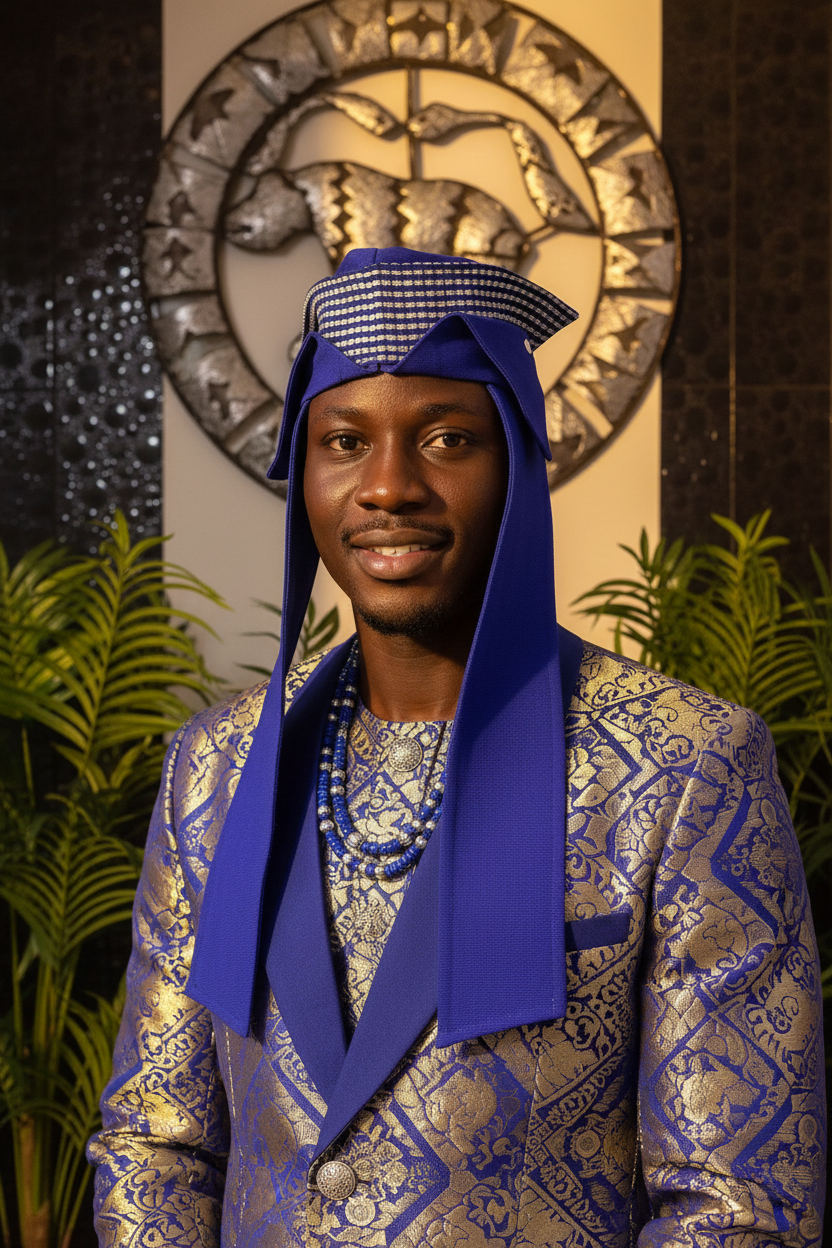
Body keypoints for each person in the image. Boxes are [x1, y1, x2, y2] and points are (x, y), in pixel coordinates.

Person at [88, 248, 826, 1247]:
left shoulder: (686, 764)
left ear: (517, 463)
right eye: (344, 440)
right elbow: (154, 1143)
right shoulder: (214, 770)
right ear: (304, 472)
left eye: (445, 438)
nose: (388, 486)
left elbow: (737, 1211)